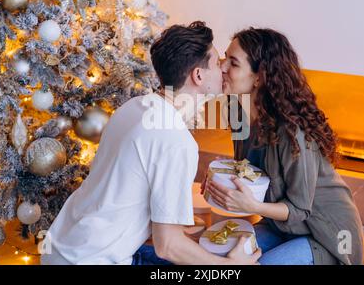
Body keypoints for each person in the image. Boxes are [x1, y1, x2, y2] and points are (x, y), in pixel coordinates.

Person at [40, 21, 261, 265]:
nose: (222, 69)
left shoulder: (135, 107)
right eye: (217, 62)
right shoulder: (176, 140)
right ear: (198, 75)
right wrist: (231, 267)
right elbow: (168, 246)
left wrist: (189, 233)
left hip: (61, 248)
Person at [203, 27, 364, 265]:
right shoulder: (238, 110)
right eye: (225, 58)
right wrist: (222, 182)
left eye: (233, 63)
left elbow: (300, 210)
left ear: (260, 77)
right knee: (219, 256)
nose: (222, 67)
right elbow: (251, 174)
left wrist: (252, 205)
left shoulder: (291, 132)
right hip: (282, 227)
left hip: (324, 234)